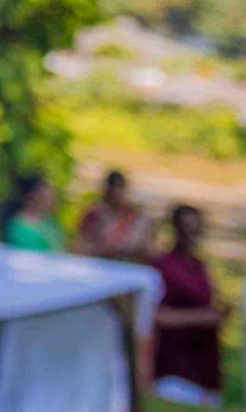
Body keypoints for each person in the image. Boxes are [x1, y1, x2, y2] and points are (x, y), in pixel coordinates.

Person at [153, 204, 226, 399]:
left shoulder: (199, 266)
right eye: (187, 229)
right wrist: (201, 318)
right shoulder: (165, 267)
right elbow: (155, 315)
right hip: (175, 371)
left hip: (204, 371)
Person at [76, 170, 155, 261]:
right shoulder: (94, 215)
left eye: (119, 188)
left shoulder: (138, 216)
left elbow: (148, 248)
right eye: (113, 189)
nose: (116, 193)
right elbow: (82, 245)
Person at [1, 177, 67, 253]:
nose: (50, 200)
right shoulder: (18, 227)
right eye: (45, 196)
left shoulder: (51, 223)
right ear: (32, 196)